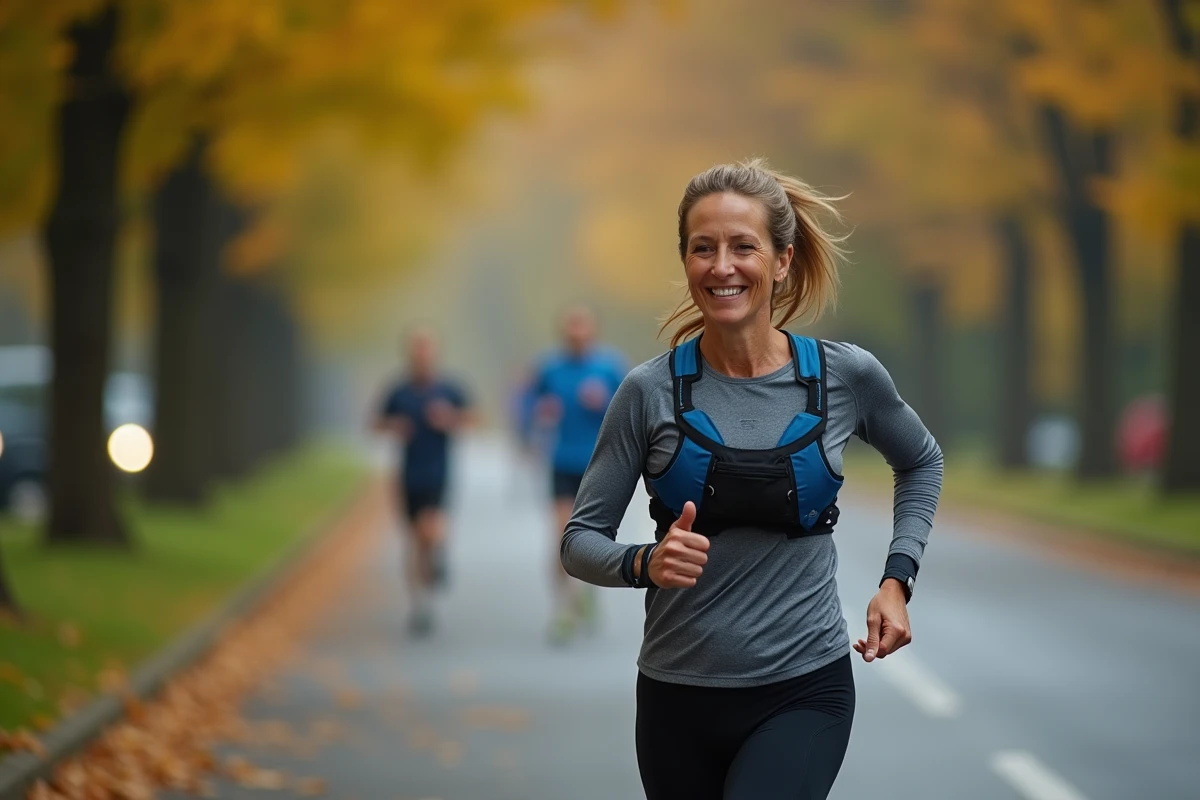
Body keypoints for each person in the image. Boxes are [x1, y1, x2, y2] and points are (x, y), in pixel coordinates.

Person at [560, 159, 943, 799]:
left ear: (782, 260)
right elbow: (579, 541)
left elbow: (921, 460)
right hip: (677, 697)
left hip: (805, 687)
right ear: (685, 261)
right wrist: (645, 562)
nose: (722, 267)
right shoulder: (648, 392)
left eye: (743, 247)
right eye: (702, 248)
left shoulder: (844, 377)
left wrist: (896, 580)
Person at [524, 307, 626, 643]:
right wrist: (540, 412)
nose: (577, 334)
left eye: (583, 328)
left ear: (593, 331)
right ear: (564, 333)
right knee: (561, 536)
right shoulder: (549, 368)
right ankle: (563, 609)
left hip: (600, 466)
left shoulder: (610, 367)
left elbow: (631, 412)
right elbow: (529, 404)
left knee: (592, 538)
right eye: (572, 329)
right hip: (562, 462)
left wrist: (603, 402)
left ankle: (588, 589)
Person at [373, 327, 473, 637]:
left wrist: (449, 420)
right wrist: (393, 425)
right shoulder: (398, 391)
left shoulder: (449, 389)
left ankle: (439, 554)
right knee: (414, 540)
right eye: (417, 348)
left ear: (436, 353)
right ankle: (420, 605)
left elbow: (473, 418)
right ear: (410, 354)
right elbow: (375, 423)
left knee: (431, 527)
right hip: (408, 474)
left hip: (437, 471)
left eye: (427, 348)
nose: (422, 354)